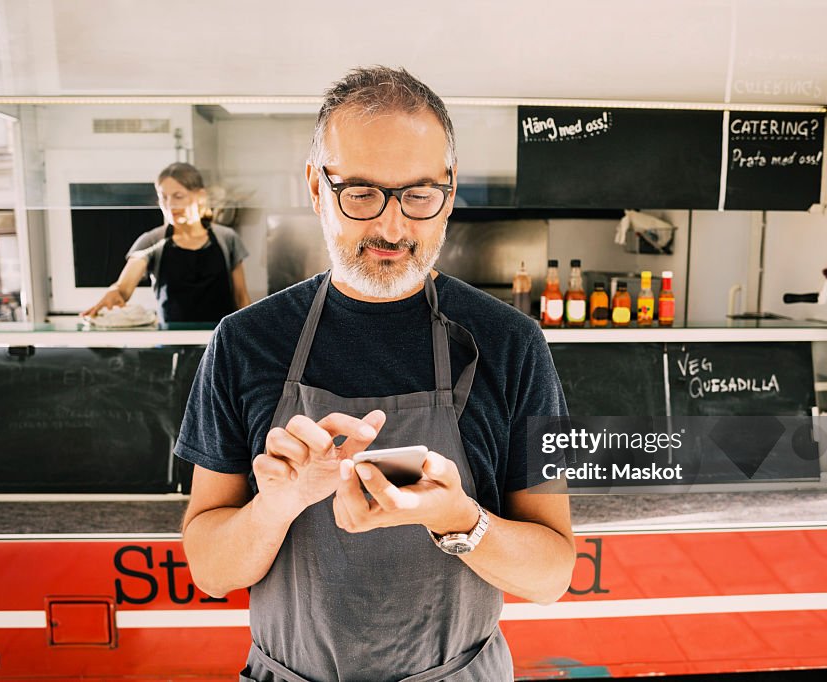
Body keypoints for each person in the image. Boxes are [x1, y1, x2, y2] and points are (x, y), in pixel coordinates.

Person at [175, 67, 574, 682]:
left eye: (419, 194)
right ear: (315, 185)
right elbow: (210, 569)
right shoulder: (244, 343)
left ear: (450, 188)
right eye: (360, 193)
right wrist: (276, 506)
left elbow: (551, 576)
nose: (392, 227)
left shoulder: (510, 344)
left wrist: (460, 521)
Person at [82, 162, 251, 324]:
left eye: (178, 196)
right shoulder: (152, 241)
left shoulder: (227, 238)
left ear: (200, 196)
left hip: (220, 343)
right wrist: (114, 293)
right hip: (172, 344)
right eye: (163, 198)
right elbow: (123, 287)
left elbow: (241, 297)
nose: (170, 205)